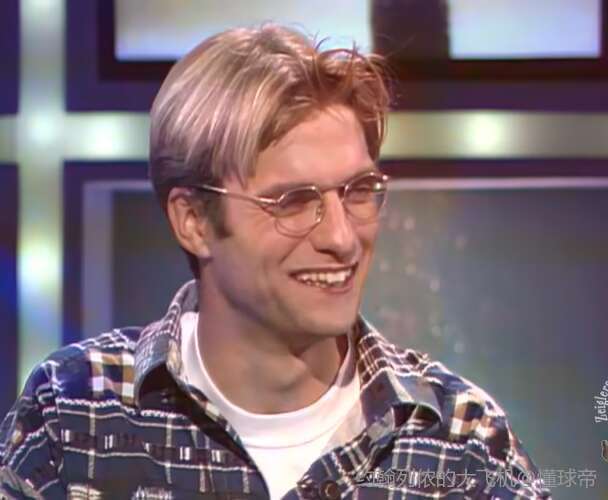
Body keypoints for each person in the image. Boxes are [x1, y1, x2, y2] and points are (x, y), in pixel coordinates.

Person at [0, 24, 551, 499]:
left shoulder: (460, 439)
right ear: (193, 221)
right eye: (293, 201)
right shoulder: (74, 416)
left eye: (358, 191)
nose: (342, 238)